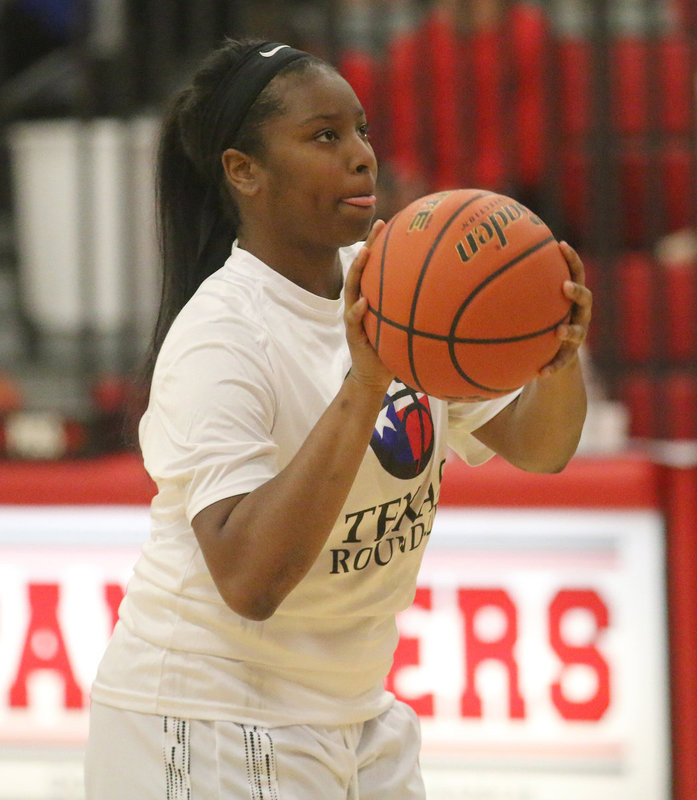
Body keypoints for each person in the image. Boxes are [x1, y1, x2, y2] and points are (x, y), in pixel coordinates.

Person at [84, 37, 591, 799]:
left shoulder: (401, 284)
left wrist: (554, 358)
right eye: (324, 136)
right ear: (243, 171)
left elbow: (540, 447)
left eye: (361, 131)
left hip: (354, 708)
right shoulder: (221, 336)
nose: (361, 156)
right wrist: (364, 383)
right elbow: (249, 581)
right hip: (207, 716)